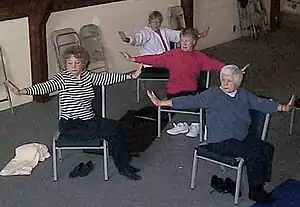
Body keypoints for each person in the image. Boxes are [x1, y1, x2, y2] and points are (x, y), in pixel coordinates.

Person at [147, 64, 295, 204]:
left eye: (229, 81)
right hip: (219, 141)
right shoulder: (213, 94)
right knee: (254, 153)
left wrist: (282, 107)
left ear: (238, 83)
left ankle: (259, 181)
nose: (225, 83)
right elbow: (191, 101)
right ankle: (255, 191)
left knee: (267, 148)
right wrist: (163, 103)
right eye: (223, 79)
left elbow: (261, 103)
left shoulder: (244, 94)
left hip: (240, 136)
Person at [5, 45, 143, 181]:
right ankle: (123, 167)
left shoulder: (88, 76)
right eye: (69, 63)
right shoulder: (63, 78)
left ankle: (124, 162)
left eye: (77, 63)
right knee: (112, 132)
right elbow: (45, 86)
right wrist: (21, 91)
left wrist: (131, 76)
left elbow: (107, 78)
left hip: (89, 121)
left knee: (118, 127)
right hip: (71, 125)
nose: (73, 66)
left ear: (83, 64)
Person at [120, 28, 224, 138]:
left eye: (187, 41)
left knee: (211, 96)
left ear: (194, 42)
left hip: (191, 92)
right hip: (175, 92)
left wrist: (232, 70)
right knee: (192, 100)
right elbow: (156, 59)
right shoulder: (173, 55)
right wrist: (134, 59)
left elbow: (215, 64)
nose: (183, 43)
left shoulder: (199, 56)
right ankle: (184, 124)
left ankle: (196, 124)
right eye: (182, 40)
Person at [119, 10, 209, 80]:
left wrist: (198, 35)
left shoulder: (164, 30)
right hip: (153, 65)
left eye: (158, 21)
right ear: (149, 21)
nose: (156, 23)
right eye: (154, 21)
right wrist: (127, 39)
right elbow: (137, 39)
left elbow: (180, 35)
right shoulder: (145, 33)